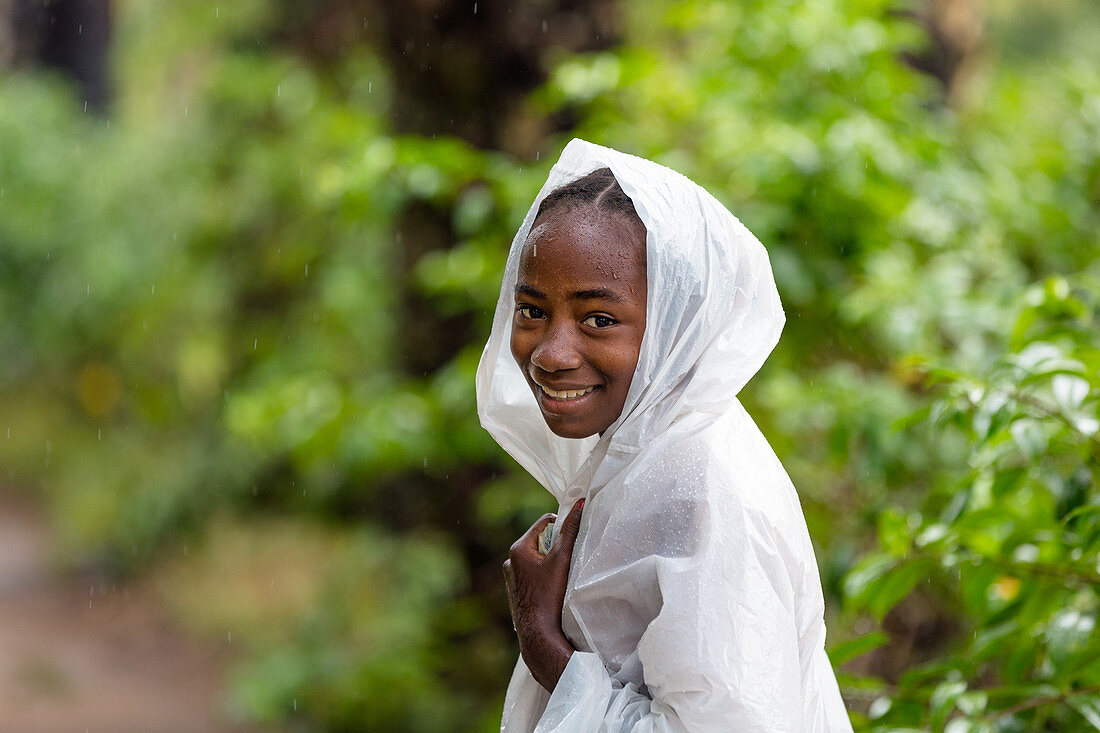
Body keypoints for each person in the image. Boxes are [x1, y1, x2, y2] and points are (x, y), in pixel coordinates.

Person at [476, 139, 852, 732]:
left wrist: (544, 642)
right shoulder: (641, 451)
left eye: (598, 319)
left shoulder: (698, 485)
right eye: (532, 311)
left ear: (675, 323)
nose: (550, 353)